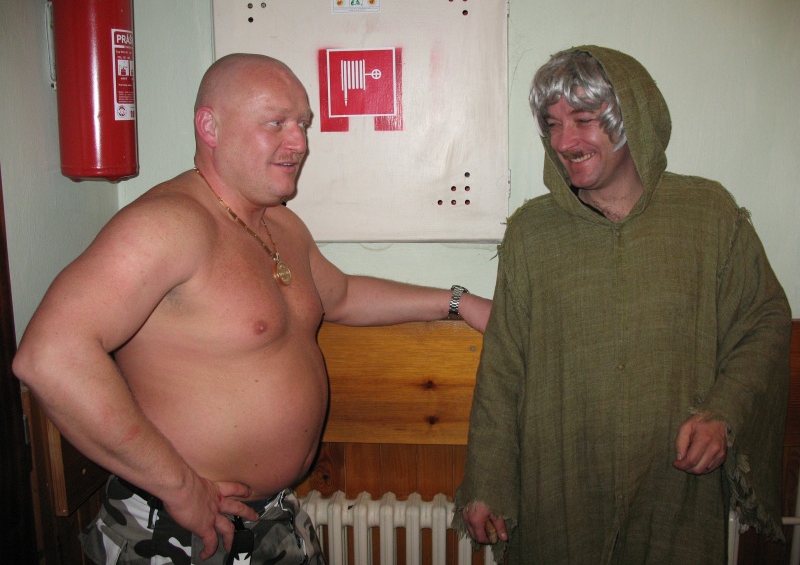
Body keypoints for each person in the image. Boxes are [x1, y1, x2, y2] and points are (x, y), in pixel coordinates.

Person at [12, 53, 492, 565]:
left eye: (303, 124)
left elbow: (343, 295)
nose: (300, 143)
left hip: (274, 518)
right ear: (210, 127)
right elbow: (49, 356)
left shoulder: (280, 224)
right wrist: (178, 486)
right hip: (179, 524)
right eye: (276, 123)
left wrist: (458, 302)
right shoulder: (168, 224)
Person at [452, 46, 791, 564]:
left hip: (674, 496)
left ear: (629, 118)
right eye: (552, 124)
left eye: (583, 119)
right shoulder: (532, 234)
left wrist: (723, 414)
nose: (564, 141)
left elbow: (762, 323)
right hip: (560, 496)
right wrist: (487, 482)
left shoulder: (708, 216)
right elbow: (504, 369)